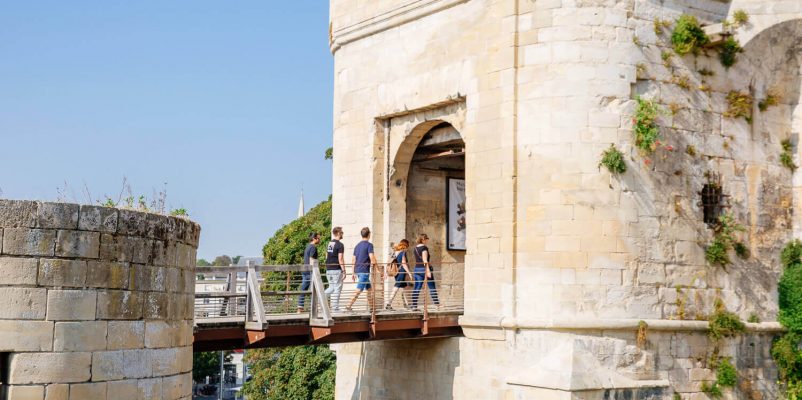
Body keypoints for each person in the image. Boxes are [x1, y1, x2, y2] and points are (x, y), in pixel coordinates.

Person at [345, 227, 377, 312]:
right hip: (364, 272)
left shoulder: (357, 246)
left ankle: (372, 308)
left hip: (358, 271)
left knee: (369, 289)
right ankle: (348, 305)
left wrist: (353, 272)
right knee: (359, 289)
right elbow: (372, 258)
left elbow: (353, 259)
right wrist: (378, 270)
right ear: (369, 234)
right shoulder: (369, 245)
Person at [411, 233, 439, 310]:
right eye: (426, 239)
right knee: (432, 287)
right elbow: (425, 260)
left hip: (417, 269)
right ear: (423, 239)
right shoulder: (424, 248)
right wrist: (428, 271)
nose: (427, 240)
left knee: (417, 287)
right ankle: (437, 304)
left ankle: (414, 305)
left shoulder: (415, 248)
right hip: (424, 269)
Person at [324, 226, 346, 311]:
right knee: (337, 288)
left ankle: (320, 298)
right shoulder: (340, 245)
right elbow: (340, 258)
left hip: (328, 268)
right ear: (337, 233)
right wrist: (344, 270)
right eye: (341, 232)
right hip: (336, 269)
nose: (342, 234)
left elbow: (326, 255)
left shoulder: (330, 243)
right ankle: (335, 308)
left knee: (332, 287)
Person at [385, 239, 411, 310]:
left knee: (404, 288)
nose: (407, 248)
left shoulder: (395, 252)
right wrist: (409, 273)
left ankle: (407, 304)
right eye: (407, 246)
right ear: (405, 245)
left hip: (397, 272)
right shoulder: (403, 252)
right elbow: (404, 263)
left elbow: (390, 262)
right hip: (401, 271)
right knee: (396, 287)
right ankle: (388, 304)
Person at [297, 232, 320, 312]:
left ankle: (300, 307)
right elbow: (311, 260)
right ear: (314, 239)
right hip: (309, 270)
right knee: (313, 287)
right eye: (318, 238)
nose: (319, 240)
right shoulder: (313, 247)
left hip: (305, 269)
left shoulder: (308, 246)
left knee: (304, 288)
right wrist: (313, 270)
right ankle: (310, 308)